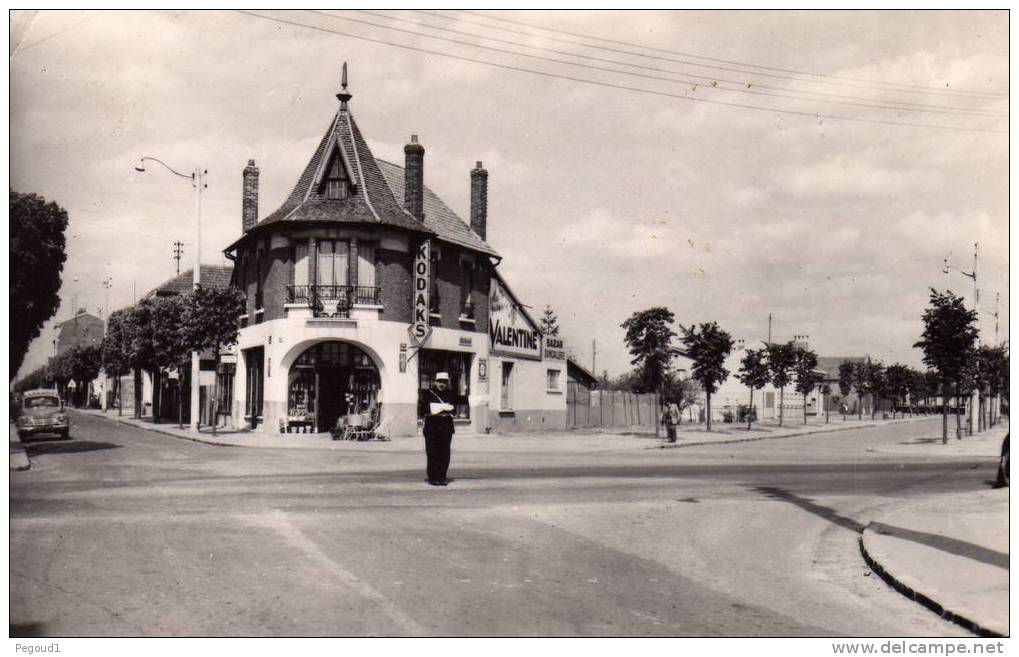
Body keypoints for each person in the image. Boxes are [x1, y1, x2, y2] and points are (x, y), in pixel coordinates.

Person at [420, 372, 456, 486]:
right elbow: (422, 410)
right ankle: (433, 477)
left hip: (446, 427)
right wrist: (438, 408)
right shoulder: (428, 393)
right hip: (432, 427)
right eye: (439, 381)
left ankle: (442, 477)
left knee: (444, 454)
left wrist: (450, 408)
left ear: (447, 383)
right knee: (432, 453)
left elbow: (455, 409)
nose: (442, 384)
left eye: (444, 382)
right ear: (435, 382)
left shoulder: (451, 394)